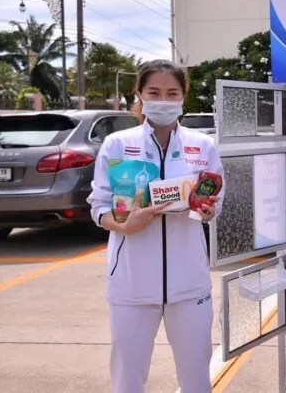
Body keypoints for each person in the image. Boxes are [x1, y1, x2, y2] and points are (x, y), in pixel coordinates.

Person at [87, 60, 224, 393]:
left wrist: (205, 211)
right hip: (131, 286)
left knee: (195, 379)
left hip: (189, 286)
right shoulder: (118, 145)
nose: (163, 100)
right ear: (139, 94)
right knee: (128, 379)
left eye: (172, 93)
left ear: (183, 97)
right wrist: (124, 224)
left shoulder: (202, 146)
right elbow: (100, 206)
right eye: (154, 92)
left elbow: (215, 203)